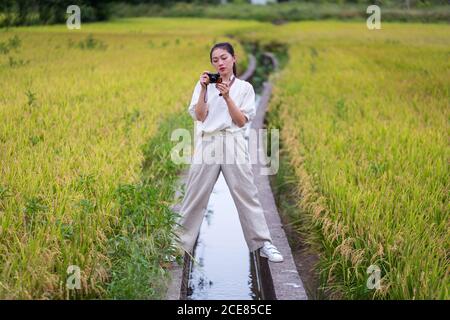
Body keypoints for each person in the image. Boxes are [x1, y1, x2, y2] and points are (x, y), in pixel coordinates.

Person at [174, 42, 283, 263]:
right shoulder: (203, 85)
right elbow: (200, 116)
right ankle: (177, 246)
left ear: (234, 58)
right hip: (209, 143)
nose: (220, 63)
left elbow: (241, 120)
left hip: (233, 142)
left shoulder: (244, 88)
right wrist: (205, 89)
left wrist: (227, 96)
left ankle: (263, 244)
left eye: (224, 58)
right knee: (194, 195)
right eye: (215, 60)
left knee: (247, 194)